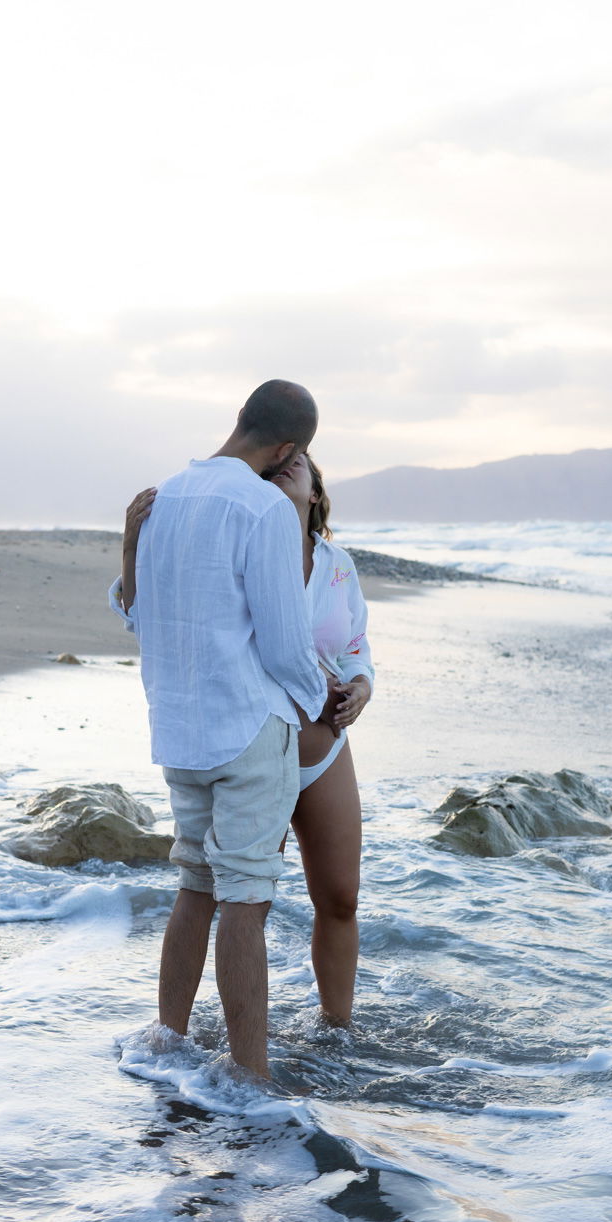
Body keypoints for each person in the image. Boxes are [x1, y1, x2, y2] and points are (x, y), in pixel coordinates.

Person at [109, 380, 329, 1081]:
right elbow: (285, 637)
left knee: (195, 885)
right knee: (245, 897)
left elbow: (142, 616)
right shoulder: (262, 506)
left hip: (178, 729)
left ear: (241, 421)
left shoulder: (162, 497)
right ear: (288, 449)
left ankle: (167, 1042)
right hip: (245, 726)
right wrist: (316, 702)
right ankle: (250, 1078)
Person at [116, 449, 373, 1032]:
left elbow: (355, 641)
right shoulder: (238, 531)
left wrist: (361, 686)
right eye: (278, 462)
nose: (287, 465)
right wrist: (132, 549)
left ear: (315, 493)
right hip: (253, 743)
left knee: (340, 898)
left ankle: (336, 1029)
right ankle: (203, 1050)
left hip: (324, 746)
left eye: (300, 464)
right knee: (231, 896)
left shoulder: (338, 567)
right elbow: (151, 615)